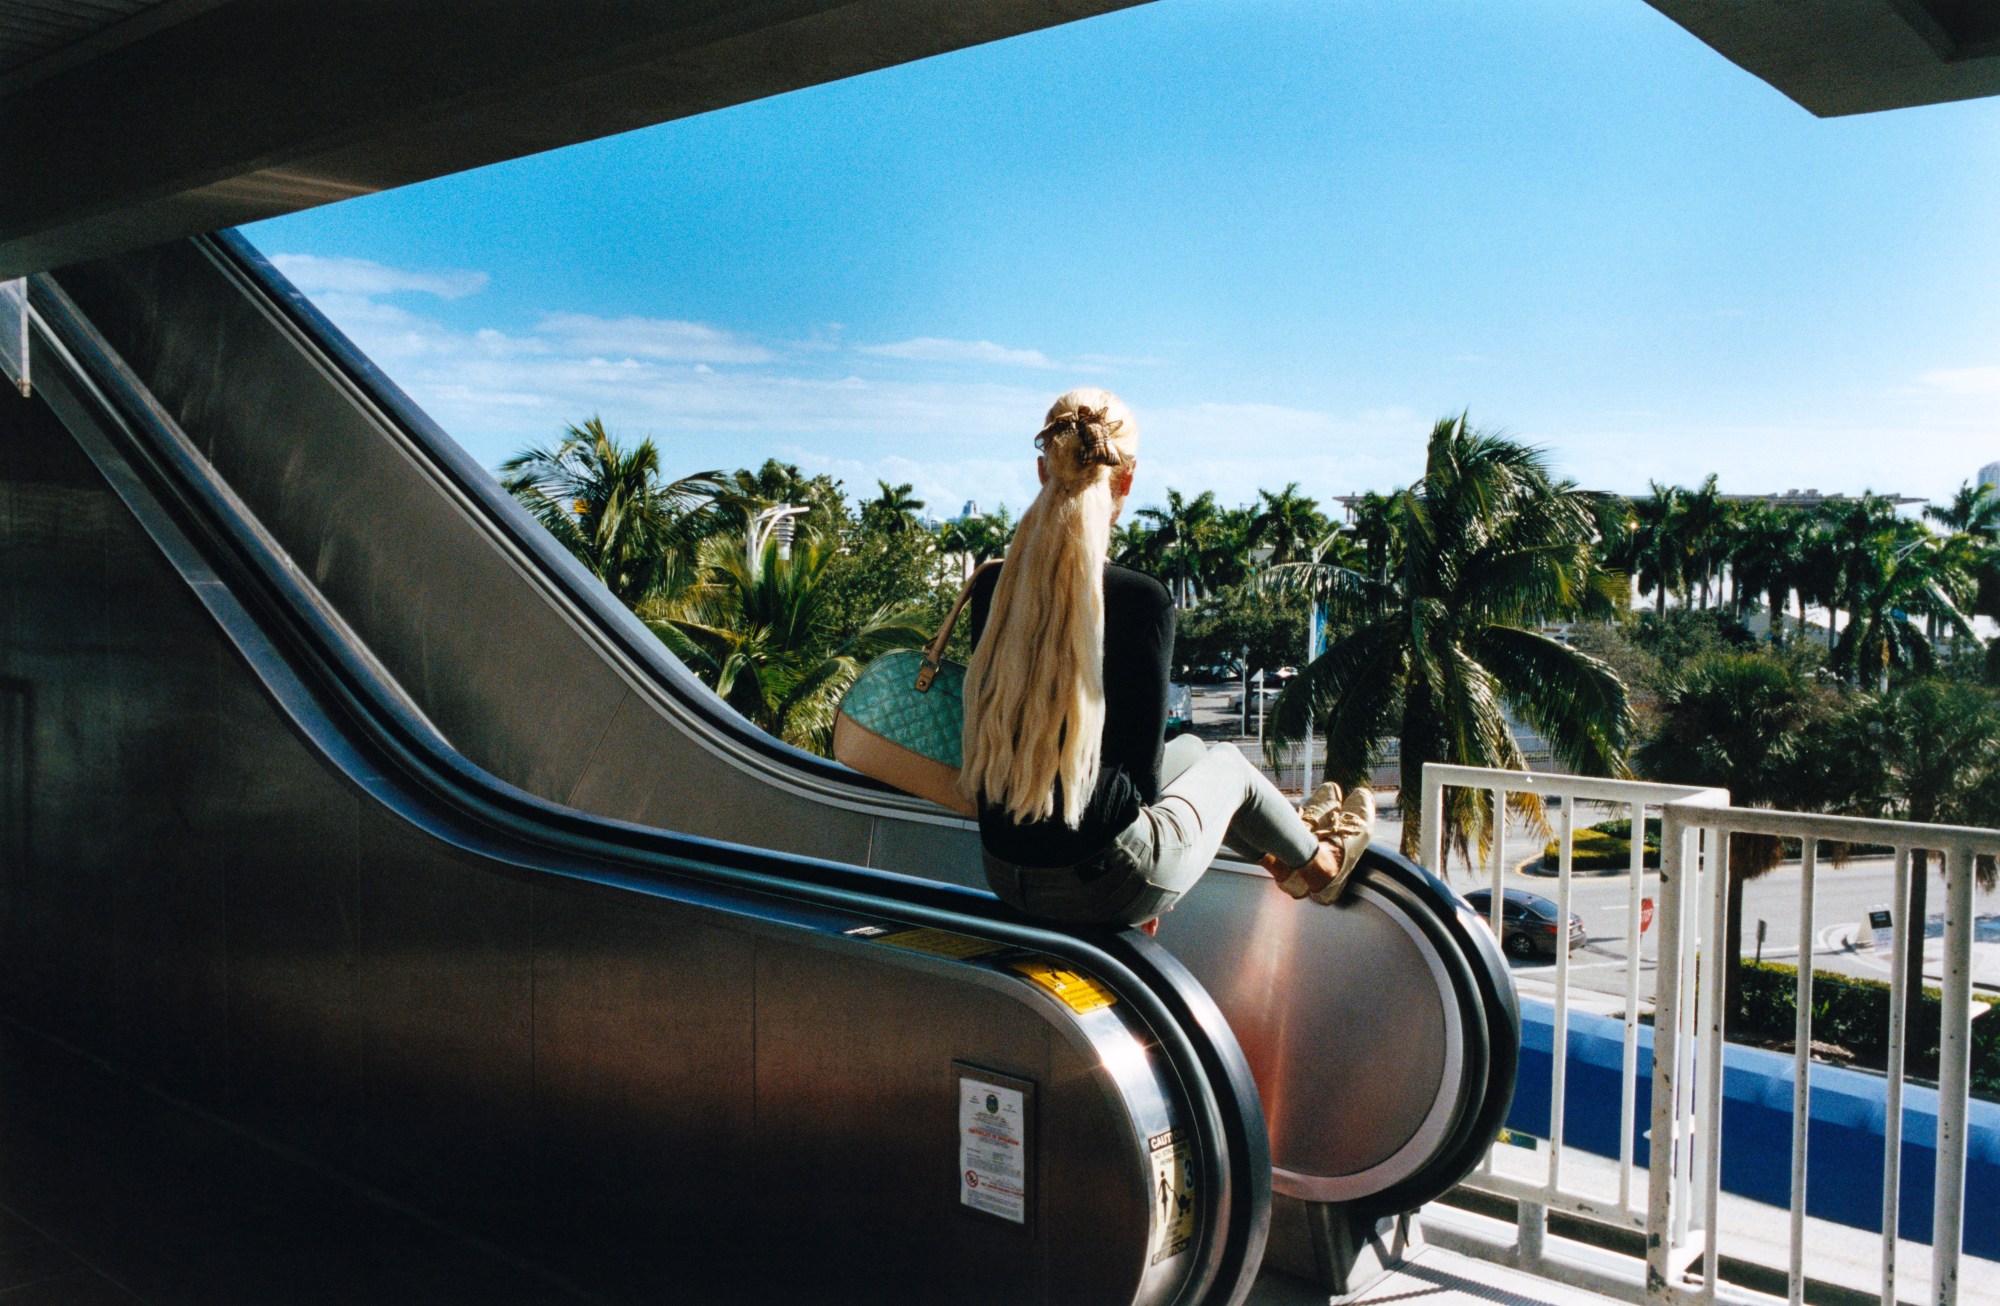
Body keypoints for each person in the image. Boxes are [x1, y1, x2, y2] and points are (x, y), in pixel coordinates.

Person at [959, 388, 1372, 928]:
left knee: (1195, 748)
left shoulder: (993, 587)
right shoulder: (1141, 600)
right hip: (1104, 882)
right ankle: (1321, 866)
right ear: (1126, 479)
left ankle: (1286, 844)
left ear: (1043, 470)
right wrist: (1143, 892)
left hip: (1005, 873)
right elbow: (1144, 788)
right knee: (1227, 766)